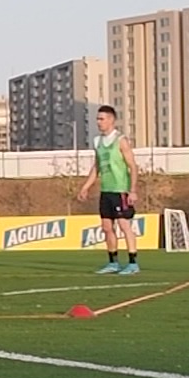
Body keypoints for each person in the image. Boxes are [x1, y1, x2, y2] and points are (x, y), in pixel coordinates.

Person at [76, 105, 140, 275]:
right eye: (97, 119)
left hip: (121, 189)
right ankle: (113, 262)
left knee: (124, 225)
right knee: (106, 227)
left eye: (101, 119)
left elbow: (132, 166)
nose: (98, 122)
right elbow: (97, 166)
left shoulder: (121, 140)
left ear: (111, 120)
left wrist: (132, 190)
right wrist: (86, 186)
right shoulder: (97, 142)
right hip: (106, 191)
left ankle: (133, 263)